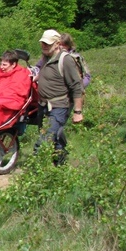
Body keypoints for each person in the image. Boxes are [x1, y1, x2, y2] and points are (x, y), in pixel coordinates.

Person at [34, 29, 83, 164]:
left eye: (48, 44)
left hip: (59, 105)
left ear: (57, 43)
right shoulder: (45, 58)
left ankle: (35, 172)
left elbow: (76, 86)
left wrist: (78, 112)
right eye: (43, 43)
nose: (44, 46)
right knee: (55, 136)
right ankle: (60, 168)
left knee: (44, 139)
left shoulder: (65, 60)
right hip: (43, 105)